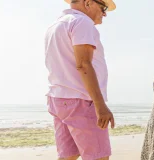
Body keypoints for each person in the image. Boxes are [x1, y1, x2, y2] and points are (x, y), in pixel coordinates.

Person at [44, 0, 116, 159]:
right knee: (98, 157)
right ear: (88, 3)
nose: (104, 13)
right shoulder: (82, 22)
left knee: (68, 156)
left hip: (59, 99)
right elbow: (84, 64)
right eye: (103, 8)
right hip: (82, 101)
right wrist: (100, 105)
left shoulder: (54, 26)